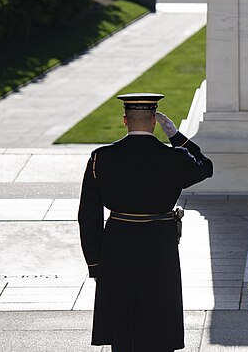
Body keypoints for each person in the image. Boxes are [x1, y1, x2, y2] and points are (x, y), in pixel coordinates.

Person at [78, 93, 213, 352]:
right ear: (154, 122)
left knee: (123, 326)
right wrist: (177, 137)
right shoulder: (175, 158)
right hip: (159, 244)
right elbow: (206, 167)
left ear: (125, 120)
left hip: (118, 244)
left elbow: (88, 214)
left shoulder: (101, 158)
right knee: (159, 318)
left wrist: (95, 263)